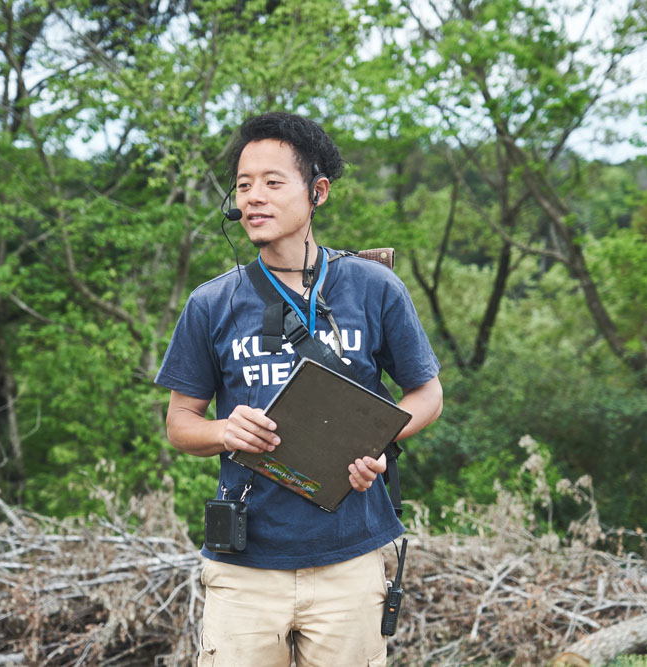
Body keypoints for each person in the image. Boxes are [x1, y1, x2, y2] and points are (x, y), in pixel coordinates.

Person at [154, 112, 443, 666]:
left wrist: (375, 442)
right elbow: (179, 424)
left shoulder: (372, 286)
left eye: (272, 182)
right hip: (243, 566)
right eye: (242, 186)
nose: (253, 198)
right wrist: (222, 429)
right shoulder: (211, 304)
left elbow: (426, 393)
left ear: (318, 192)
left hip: (349, 558)